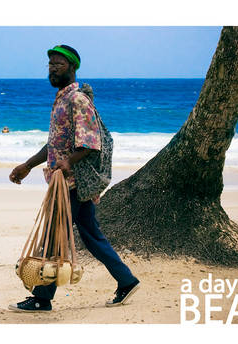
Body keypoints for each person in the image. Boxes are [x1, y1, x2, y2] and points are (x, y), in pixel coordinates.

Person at [8, 45, 140, 312]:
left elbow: (91, 143)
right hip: (64, 181)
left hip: (72, 183)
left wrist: (68, 163)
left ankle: (43, 298)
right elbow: (54, 145)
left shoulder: (77, 100)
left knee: (53, 236)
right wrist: (28, 165)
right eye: (50, 64)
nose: (53, 68)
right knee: (89, 235)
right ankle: (126, 280)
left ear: (72, 67)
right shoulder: (61, 99)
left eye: (58, 64)